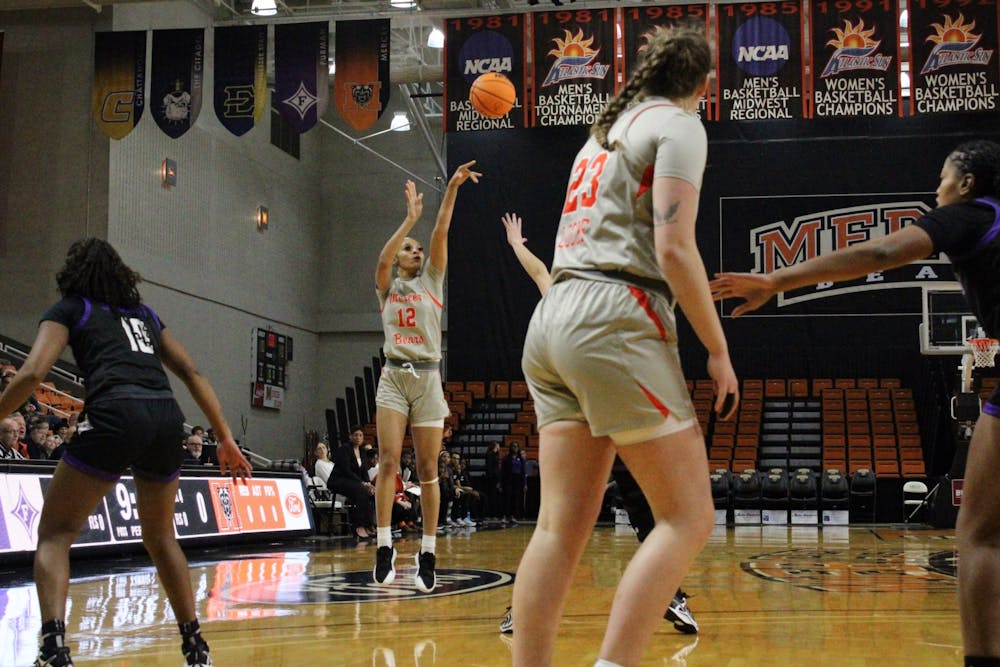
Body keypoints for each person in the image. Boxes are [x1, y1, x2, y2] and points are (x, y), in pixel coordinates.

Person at [710, 139, 1000, 667]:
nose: (936, 191)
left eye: (942, 179)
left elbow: (883, 253)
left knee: (980, 535)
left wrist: (776, 278)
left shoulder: (971, 217)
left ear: (966, 184)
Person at [513, 27, 738, 667]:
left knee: (559, 528)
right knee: (688, 518)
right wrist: (717, 350)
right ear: (702, 85)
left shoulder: (599, 137)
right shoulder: (680, 124)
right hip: (614, 316)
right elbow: (673, 247)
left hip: (555, 313)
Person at [0, 238, 252, 667]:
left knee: (56, 535)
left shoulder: (70, 309)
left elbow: (33, 372)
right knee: (160, 537)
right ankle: (195, 647)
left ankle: (53, 648)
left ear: (73, 274)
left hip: (117, 412)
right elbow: (191, 371)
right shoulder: (145, 315)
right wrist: (225, 436)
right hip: (165, 416)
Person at [498, 211, 700, 635]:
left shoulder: (611, 293)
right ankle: (523, 608)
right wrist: (517, 245)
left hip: (615, 409)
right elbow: (538, 270)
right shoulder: (562, 292)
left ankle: (671, 595)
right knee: (561, 521)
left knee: (642, 512)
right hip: (586, 414)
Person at [372, 162, 480, 592]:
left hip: (428, 379)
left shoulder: (432, 280)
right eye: (409, 249)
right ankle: (384, 546)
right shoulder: (387, 287)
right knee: (387, 461)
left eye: (418, 249)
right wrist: (408, 220)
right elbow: (381, 257)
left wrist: (451, 189)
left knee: (429, 467)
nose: (416, 252)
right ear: (399, 258)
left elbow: (441, 234)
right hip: (394, 376)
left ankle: (428, 552)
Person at [330, 426, 377, 541]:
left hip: (354, 481)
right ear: (350, 436)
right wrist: (362, 483)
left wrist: (369, 484)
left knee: (371, 491)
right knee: (360, 490)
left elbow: (364, 471)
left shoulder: (362, 451)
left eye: (360, 435)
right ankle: (359, 526)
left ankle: (369, 524)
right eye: (355, 435)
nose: (358, 437)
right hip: (339, 480)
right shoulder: (344, 449)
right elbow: (346, 470)